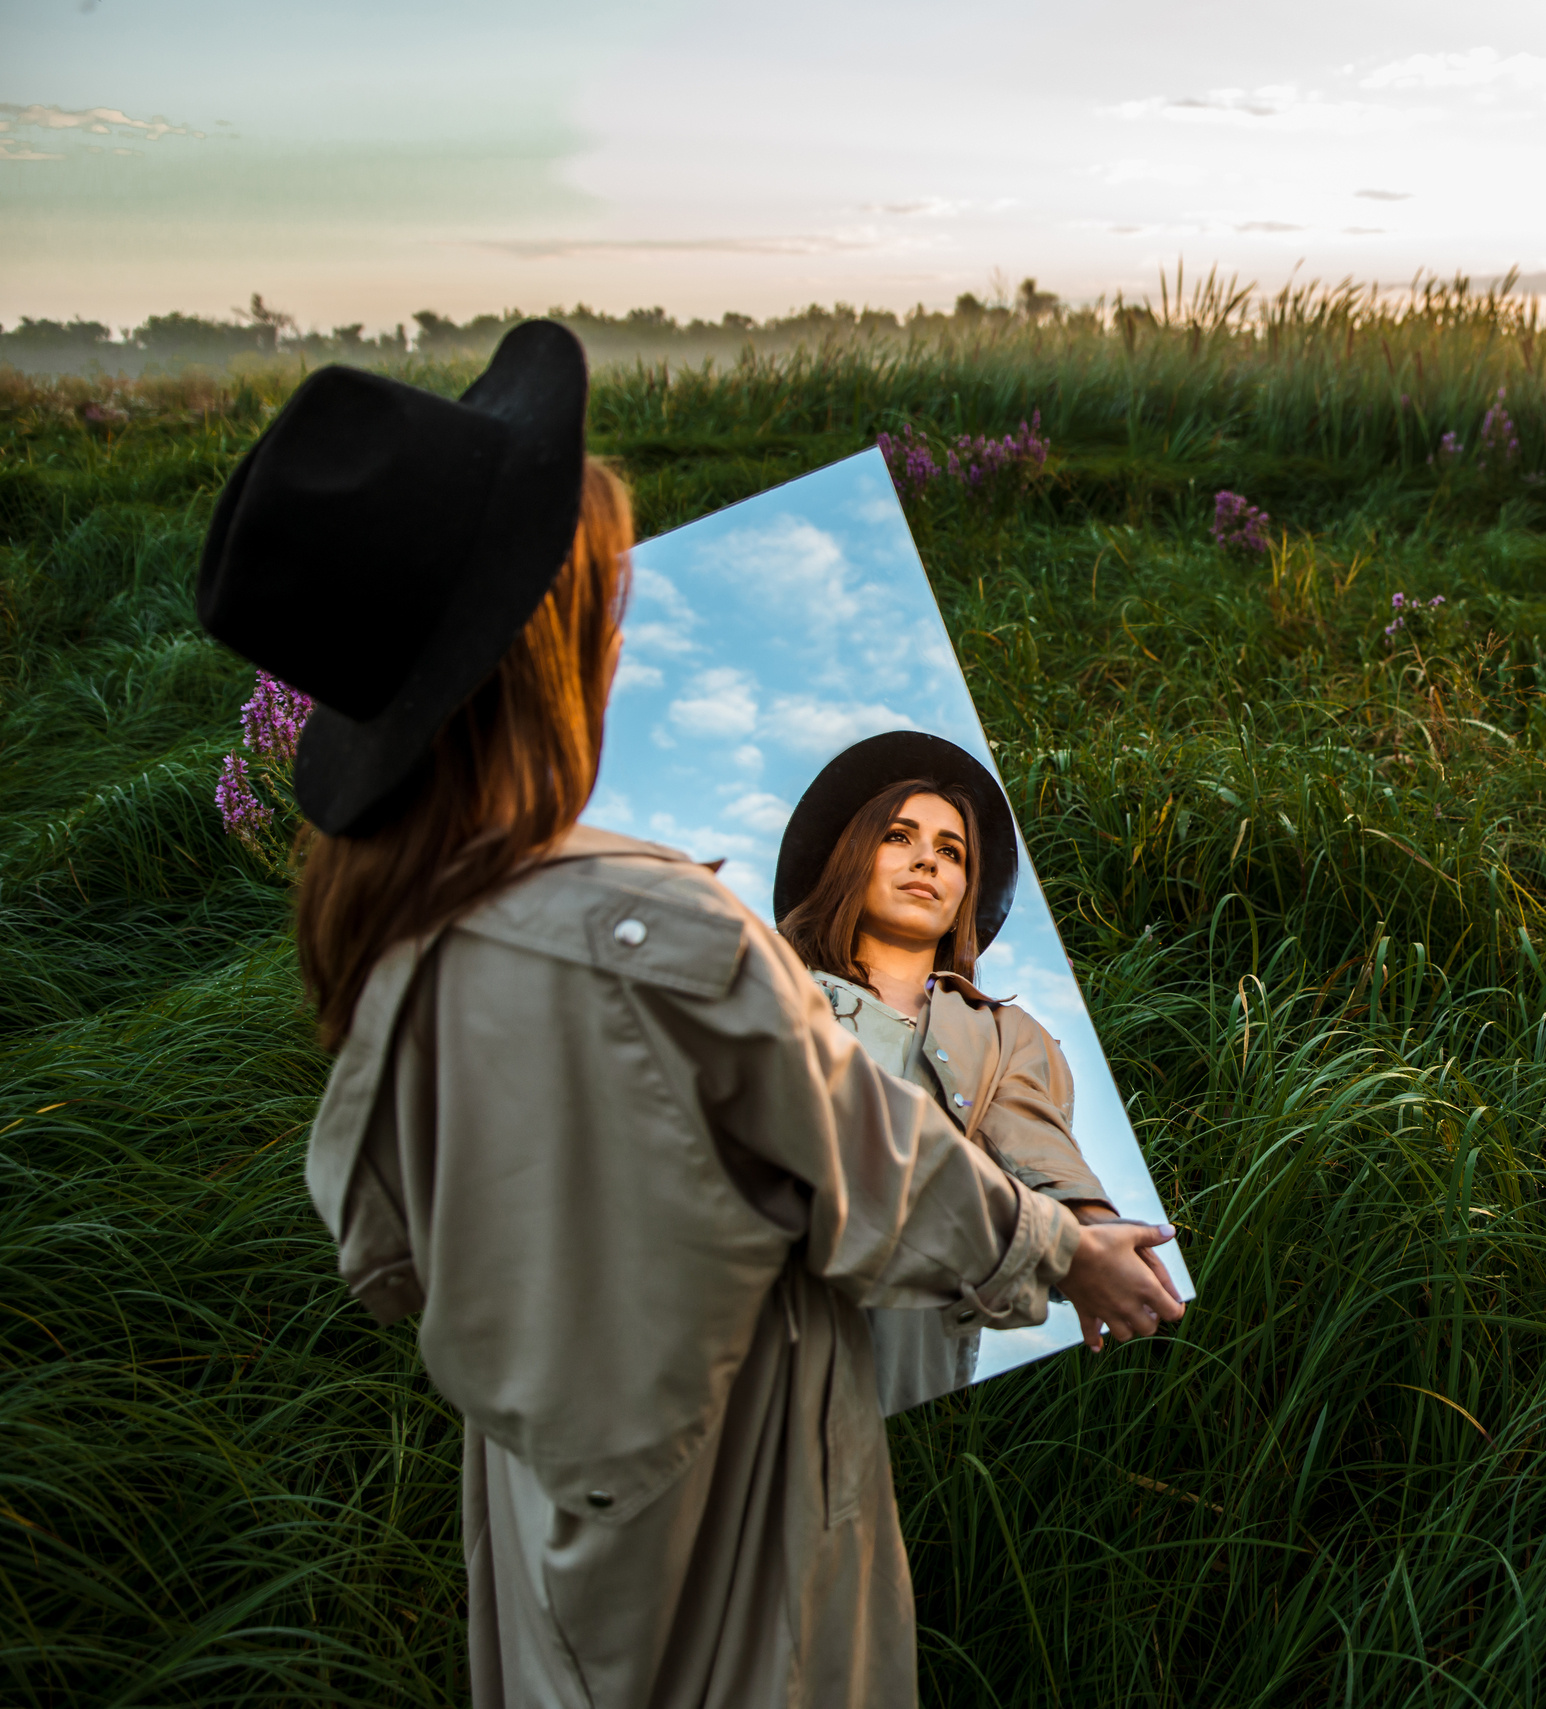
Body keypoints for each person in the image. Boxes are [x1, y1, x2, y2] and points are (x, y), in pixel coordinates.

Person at [193, 321, 1186, 1707]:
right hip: (745, 1571)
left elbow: (385, 1259)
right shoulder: (657, 935)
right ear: (539, 655)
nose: (618, 625)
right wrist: (1068, 1256)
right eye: (594, 598)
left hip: (559, 1563)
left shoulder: (400, 963)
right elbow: (874, 1173)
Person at [773, 732, 1177, 1412]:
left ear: (965, 887)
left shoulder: (1006, 1034)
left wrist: (1096, 1232)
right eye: (899, 837)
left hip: (911, 1372)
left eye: (951, 850)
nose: (927, 858)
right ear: (850, 857)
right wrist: (1057, 1249)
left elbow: (1032, 1137)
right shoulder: (770, 994)